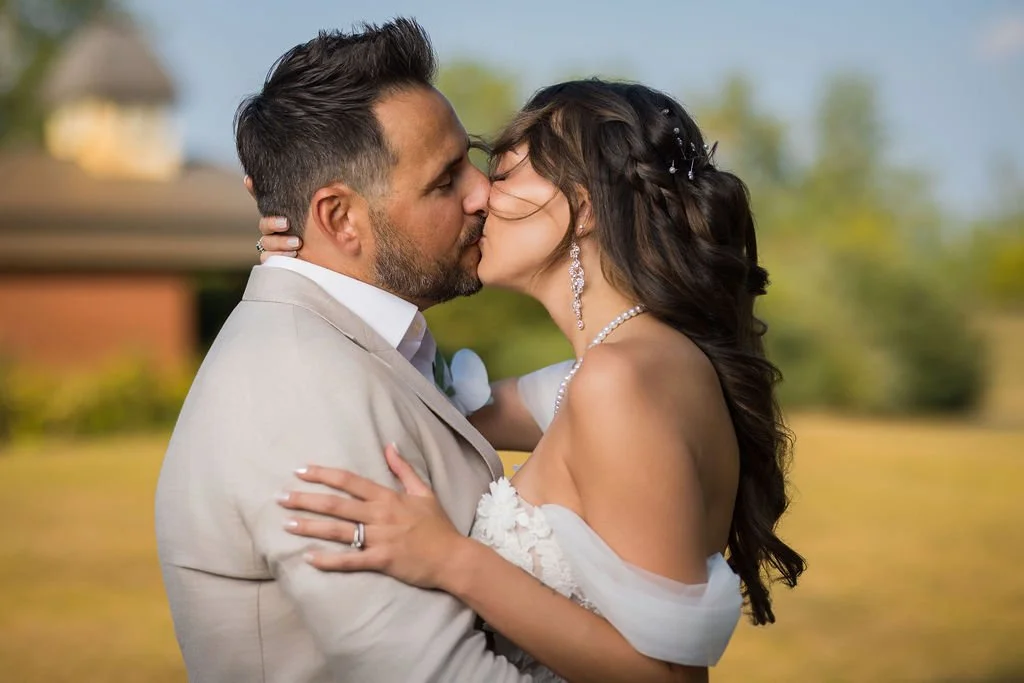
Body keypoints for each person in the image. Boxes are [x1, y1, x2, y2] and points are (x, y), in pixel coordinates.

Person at [255, 78, 805, 681]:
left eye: (508, 173)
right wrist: (325, 265)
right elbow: (435, 406)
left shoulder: (619, 382)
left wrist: (451, 560)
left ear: (586, 207)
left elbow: (667, 676)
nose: (480, 197)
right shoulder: (621, 369)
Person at [156, 19, 541, 682]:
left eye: (470, 156)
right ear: (338, 219)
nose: (484, 192)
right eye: (445, 180)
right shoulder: (296, 389)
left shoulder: (346, 338)